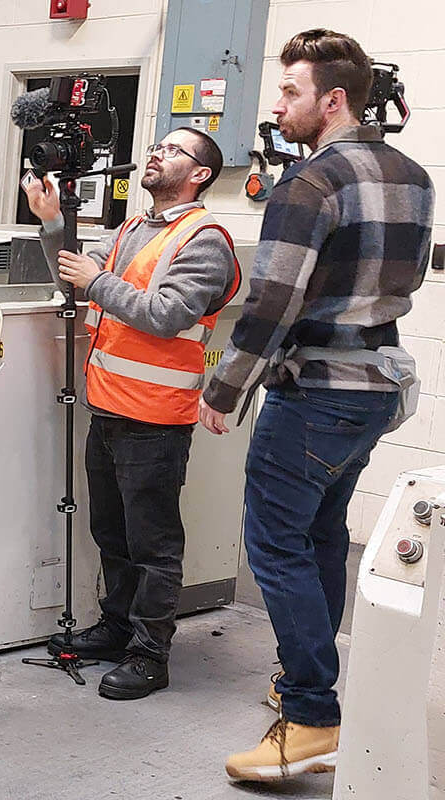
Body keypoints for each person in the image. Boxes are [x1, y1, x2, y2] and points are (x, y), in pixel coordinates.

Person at [197, 29, 434, 782]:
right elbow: (412, 280)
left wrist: (224, 389)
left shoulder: (309, 185)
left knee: (272, 544)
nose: (278, 105)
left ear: (332, 100)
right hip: (374, 390)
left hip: (315, 392)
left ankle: (309, 715)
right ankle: (315, 684)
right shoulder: (416, 175)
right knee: (322, 534)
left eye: (291, 91)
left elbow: (270, 302)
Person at [22, 126, 240, 701]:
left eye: (173, 150)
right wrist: (50, 223)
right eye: (157, 146)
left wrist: (99, 282)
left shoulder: (206, 239)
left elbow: (167, 314)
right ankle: (118, 628)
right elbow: (74, 273)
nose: (155, 154)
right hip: (109, 408)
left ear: (200, 174)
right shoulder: (132, 229)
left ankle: (150, 654)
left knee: (153, 544)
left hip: (156, 419)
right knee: (110, 533)